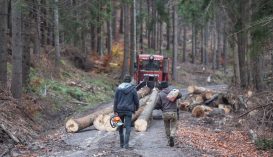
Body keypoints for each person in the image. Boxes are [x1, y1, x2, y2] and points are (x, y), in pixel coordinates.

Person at [114, 75, 139, 149]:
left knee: (120, 127)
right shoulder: (133, 89)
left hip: (119, 110)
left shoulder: (118, 88)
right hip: (128, 111)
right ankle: (126, 145)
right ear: (130, 80)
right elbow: (136, 100)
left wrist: (115, 110)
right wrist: (136, 108)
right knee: (128, 127)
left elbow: (115, 100)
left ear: (124, 80)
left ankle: (121, 144)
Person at [154, 81, 182, 147]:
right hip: (173, 112)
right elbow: (180, 95)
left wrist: (156, 107)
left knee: (167, 127)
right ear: (167, 86)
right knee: (174, 126)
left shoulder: (160, 94)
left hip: (165, 113)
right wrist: (176, 91)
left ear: (162, 87)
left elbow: (158, 104)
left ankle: (169, 140)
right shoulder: (173, 92)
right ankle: (172, 135)